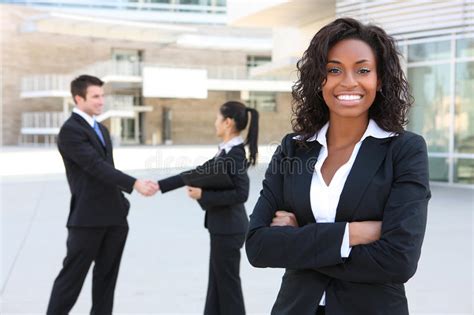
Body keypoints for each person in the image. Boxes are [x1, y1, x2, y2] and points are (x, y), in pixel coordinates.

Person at [245, 18, 431, 315]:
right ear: (319, 79)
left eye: (363, 70)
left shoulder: (404, 150)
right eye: (334, 70)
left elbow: (399, 260)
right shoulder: (293, 148)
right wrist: (352, 234)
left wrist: (299, 240)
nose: (348, 82)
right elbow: (257, 246)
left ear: (379, 79)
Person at [47, 74, 158, 315]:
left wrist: (122, 202)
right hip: (87, 219)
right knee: (71, 281)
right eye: (95, 96)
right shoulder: (70, 131)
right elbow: (95, 166)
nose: (101, 101)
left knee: (106, 283)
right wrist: (135, 183)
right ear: (78, 98)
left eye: (102, 95)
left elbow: (108, 168)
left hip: (114, 218)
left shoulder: (101, 129)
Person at [157, 101, 259, 315]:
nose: (215, 123)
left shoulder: (235, 154)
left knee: (227, 286)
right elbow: (197, 174)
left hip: (229, 229)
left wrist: (204, 195)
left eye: (217, 119)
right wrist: (160, 185)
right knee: (217, 283)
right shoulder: (226, 151)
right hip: (222, 227)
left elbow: (242, 193)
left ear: (228, 122)